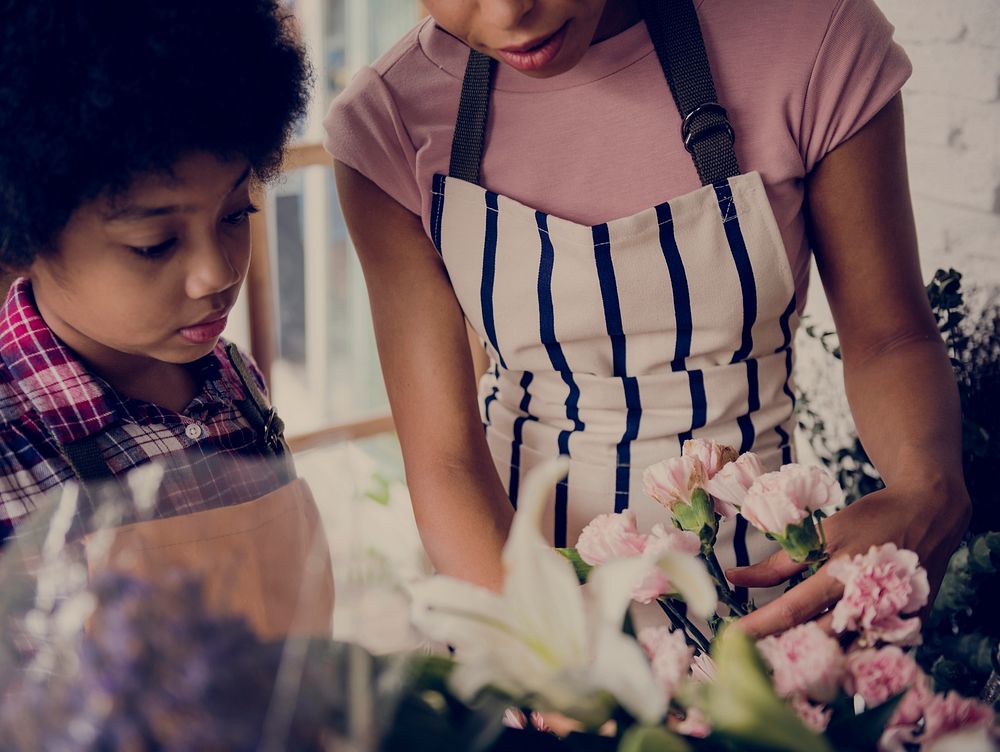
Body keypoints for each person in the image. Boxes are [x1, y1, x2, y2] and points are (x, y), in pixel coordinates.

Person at [325, 0, 971, 637]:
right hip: (513, 600)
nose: (509, 11)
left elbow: (890, 337)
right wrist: (555, 670)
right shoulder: (390, 121)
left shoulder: (813, 36)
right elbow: (444, 459)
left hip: (767, 604)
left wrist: (927, 486)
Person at [0, 0, 334, 638]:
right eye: (154, 243)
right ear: (26, 234)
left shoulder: (232, 379)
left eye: (236, 214)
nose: (217, 273)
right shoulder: (11, 443)